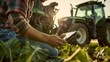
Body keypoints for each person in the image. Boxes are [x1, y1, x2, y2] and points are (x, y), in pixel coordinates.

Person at [0, 0, 65, 58]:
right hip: (4, 34)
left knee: (50, 48)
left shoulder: (31, 2)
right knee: (52, 52)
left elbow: (24, 27)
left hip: (12, 32)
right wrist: (48, 39)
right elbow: (18, 23)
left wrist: (49, 39)